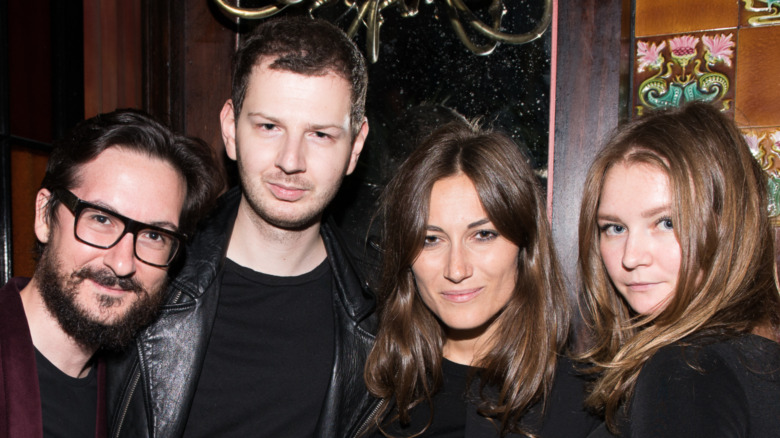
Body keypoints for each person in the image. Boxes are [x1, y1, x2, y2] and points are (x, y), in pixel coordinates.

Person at [106, 16, 376, 437]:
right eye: (269, 127)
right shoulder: (145, 274)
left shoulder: (383, 314)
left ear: (355, 146)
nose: (290, 160)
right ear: (231, 129)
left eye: (320, 135)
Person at [362, 121, 599, 437]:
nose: (456, 270)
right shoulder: (367, 393)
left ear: (525, 246)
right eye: (431, 239)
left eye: (483, 235)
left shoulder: (587, 406)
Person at [0, 109, 221, 438]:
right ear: (45, 216)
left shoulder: (138, 402)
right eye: (101, 219)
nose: (122, 264)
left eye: (154, 236)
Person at [577, 102, 780, 437]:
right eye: (614, 227)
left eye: (666, 222)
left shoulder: (687, 368)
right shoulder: (752, 359)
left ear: (727, 224)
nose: (631, 257)